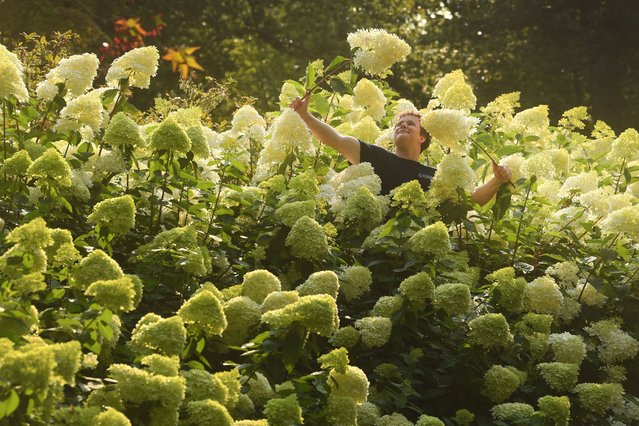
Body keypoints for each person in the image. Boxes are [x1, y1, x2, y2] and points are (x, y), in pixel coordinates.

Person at [290, 95, 511, 205]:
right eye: (399, 124)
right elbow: (336, 139)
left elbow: (471, 200)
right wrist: (305, 116)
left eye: (410, 124)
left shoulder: (434, 175)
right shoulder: (376, 156)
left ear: (422, 137)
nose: (402, 125)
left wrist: (497, 180)